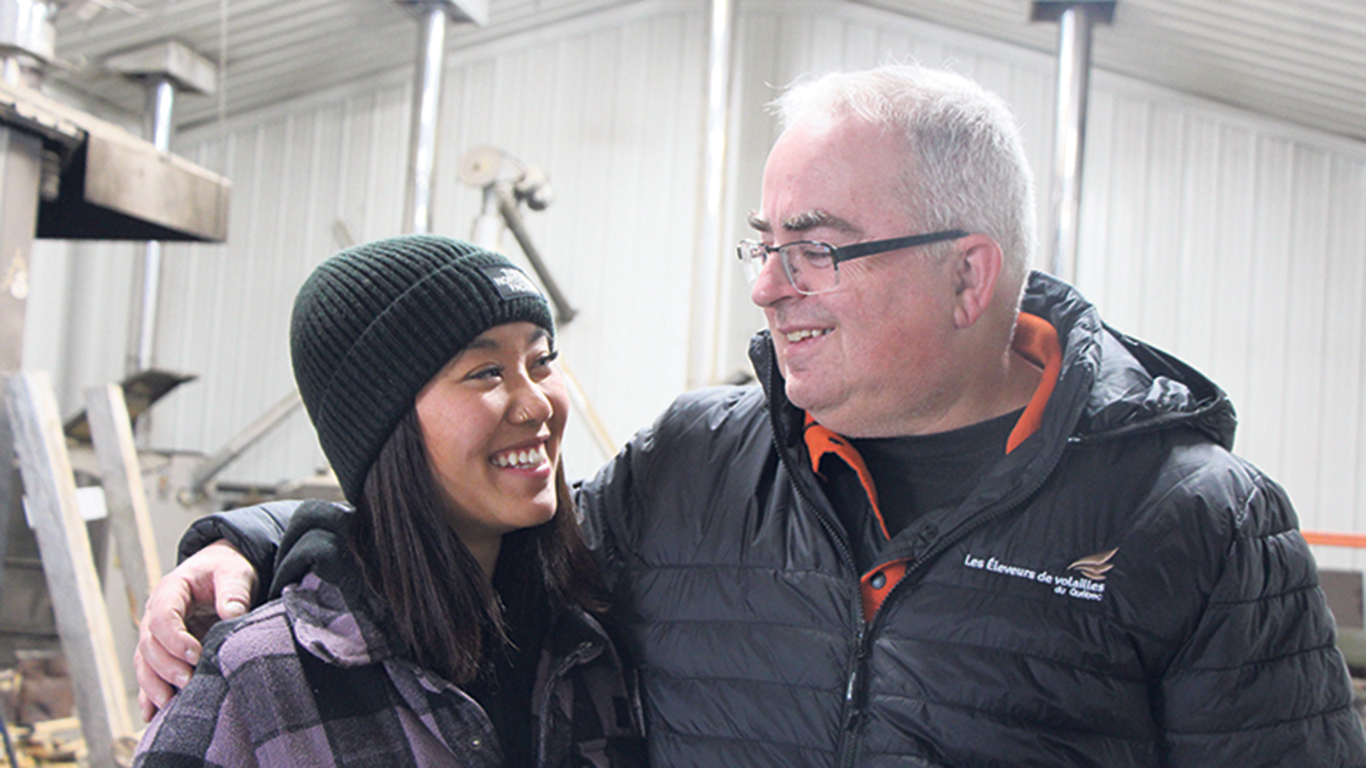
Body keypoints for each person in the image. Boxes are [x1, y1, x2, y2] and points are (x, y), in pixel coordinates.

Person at [136, 65, 1366, 766]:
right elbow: (483, 528)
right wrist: (249, 539)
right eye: (763, 244)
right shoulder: (695, 463)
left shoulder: (1195, 522)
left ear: (968, 273)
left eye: (819, 250)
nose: (770, 285)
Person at [132, 235, 644, 767]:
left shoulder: (584, 650)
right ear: (382, 429)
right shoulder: (261, 678)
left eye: (541, 361)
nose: (537, 402)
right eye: (486, 372)